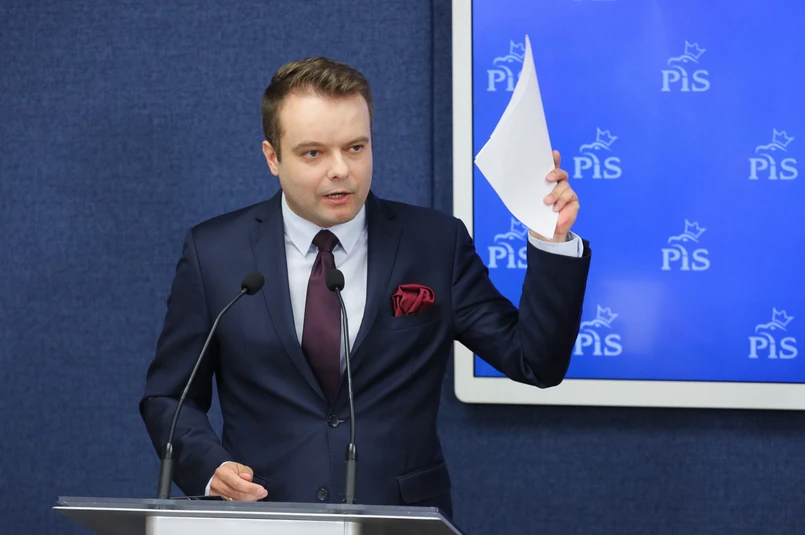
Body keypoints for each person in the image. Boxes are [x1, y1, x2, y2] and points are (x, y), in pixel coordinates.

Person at [139, 56, 591, 518]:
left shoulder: (435, 243)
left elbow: (535, 360)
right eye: (313, 153)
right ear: (272, 157)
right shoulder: (215, 253)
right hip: (264, 518)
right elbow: (169, 397)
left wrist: (552, 241)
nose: (341, 170)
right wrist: (210, 468)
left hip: (398, 520)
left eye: (355, 147)